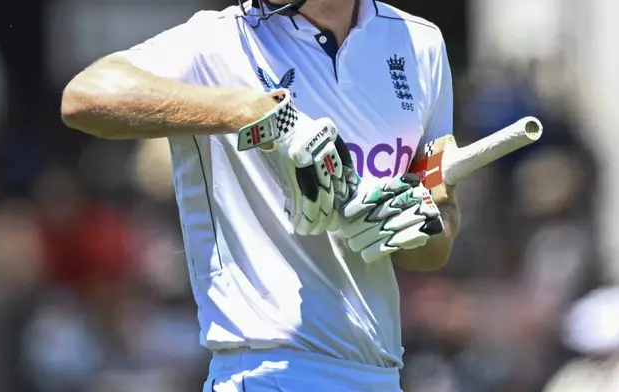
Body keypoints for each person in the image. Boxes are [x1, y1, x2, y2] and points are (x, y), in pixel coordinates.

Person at [60, 0, 461, 390]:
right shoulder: (218, 40)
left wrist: (417, 226)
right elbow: (85, 97)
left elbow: (440, 226)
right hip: (267, 371)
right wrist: (255, 113)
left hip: (381, 373)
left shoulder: (421, 45)